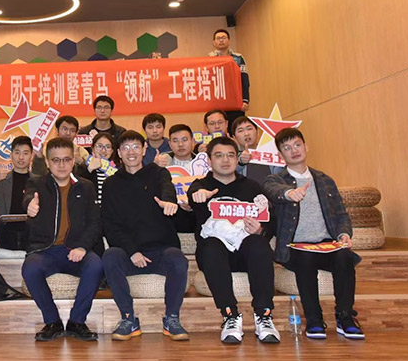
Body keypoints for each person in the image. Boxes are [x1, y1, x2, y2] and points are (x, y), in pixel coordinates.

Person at [263, 128, 364, 340]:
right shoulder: (276, 180)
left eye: (297, 145)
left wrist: (344, 234)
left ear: (306, 147)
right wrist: (289, 193)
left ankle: (345, 316)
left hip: (326, 244)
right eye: (287, 148)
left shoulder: (325, 180)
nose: (294, 150)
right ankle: (314, 318)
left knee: (344, 257)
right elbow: (272, 190)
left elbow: (341, 214)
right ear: (280, 155)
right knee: (306, 260)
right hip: (295, 247)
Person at [187, 137, 279, 344]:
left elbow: (271, 220)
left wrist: (261, 230)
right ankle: (230, 315)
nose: (225, 160)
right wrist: (196, 196)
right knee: (210, 246)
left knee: (259, 244)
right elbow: (193, 194)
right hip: (214, 255)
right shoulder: (201, 186)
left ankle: (264, 315)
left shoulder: (252, 187)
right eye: (219, 156)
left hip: (245, 252)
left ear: (237, 159)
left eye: (230, 155)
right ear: (209, 160)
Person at [102, 131, 190, 341]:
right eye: (125, 148)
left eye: (135, 147)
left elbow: (167, 190)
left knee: (178, 259)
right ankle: (128, 318)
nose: (131, 152)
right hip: (130, 254)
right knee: (110, 257)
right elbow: (110, 225)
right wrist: (132, 252)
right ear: (119, 153)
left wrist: (169, 202)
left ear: (144, 150)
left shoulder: (158, 173)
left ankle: (172, 318)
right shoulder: (111, 184)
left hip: (161, 250)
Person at [21, 138, 103, 342]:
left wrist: (83, 247)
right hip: (45, 250)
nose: (61, 165)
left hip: (75, 250)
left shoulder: (86, 187)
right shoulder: (37, 183)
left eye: (66, 159)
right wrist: (30, 205)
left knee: (95, 265)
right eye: (55, 160)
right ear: (47, 162)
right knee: (30, 269)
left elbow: (95, 223)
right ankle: (52, 322)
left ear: (73, 160)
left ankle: (77, 322)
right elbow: (28, 198)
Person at [0, 135, 34, 270]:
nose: (21, 157)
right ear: (11, 155)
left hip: (30, 229)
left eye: (25, 153)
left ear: (31, 156)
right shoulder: (1, 178)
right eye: (17, 153)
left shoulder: (38, 181)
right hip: (4, 229)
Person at [209, 29, 249, 125]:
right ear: (214, 42)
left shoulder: (238, 58)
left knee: (236, 126)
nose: (221, 40)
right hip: (218, 101)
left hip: (235, 100)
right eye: (218, 38)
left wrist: (245, 99)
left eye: (224, 38)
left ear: (229, 40)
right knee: (218, 126)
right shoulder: (209, 59)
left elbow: (244, 79)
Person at [231, 116, 277, 184]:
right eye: (240, 131)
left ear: (257, 132)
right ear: (234, 137)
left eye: (249, 129)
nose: (246, 133)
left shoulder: (270, 152)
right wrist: (241, 162)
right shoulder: (231, 157)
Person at [79, 132, 117, 205]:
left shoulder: (117, 170)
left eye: (108, 147)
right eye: (99, 146)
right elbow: (77, 188)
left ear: (112, 151)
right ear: (93, 149)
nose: (103, 150)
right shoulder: (83, 168)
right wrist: (89, 169)